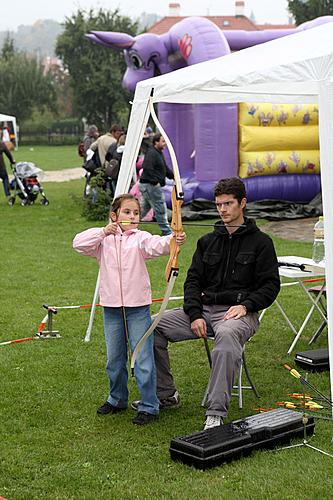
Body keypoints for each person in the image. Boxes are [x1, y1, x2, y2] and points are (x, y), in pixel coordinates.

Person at [133, 177, 280, 430]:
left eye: (228, 204)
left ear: (242, 203)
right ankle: (166, 394)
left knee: (225, 337)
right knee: (149, 328)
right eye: (218, 204)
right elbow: (192, 282)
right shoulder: (207, 241)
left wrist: (246, 306)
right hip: (202, 310)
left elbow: (270, 286)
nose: (222, 210)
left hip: (238, 314)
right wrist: (194, 314)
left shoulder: (261, 243)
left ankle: (215, 412)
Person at [73, 194, 186, 425]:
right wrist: (104, 231)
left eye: (136, 213)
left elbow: (158, 245)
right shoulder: (102, 241)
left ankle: (149, 405)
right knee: (114, 359)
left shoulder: (140, 238)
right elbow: (78, 243)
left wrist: (174, 239)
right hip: (112, 308)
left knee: (143, 359)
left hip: (138, 308)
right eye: (127, 212)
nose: (132, 217)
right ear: (114, 215)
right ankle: (116, 399)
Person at [139, 133, 174, 236]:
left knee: (143, 209)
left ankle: (127, 224)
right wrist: (155, 181)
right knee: (160, 207)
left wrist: (173, 176)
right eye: (163, 141)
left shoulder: (158, 152)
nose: (165, 144)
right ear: (156, 142)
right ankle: (167, 232)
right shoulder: (152, 153)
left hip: (148, 185)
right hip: (151, 185)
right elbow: (147, 167)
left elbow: (164, 167)